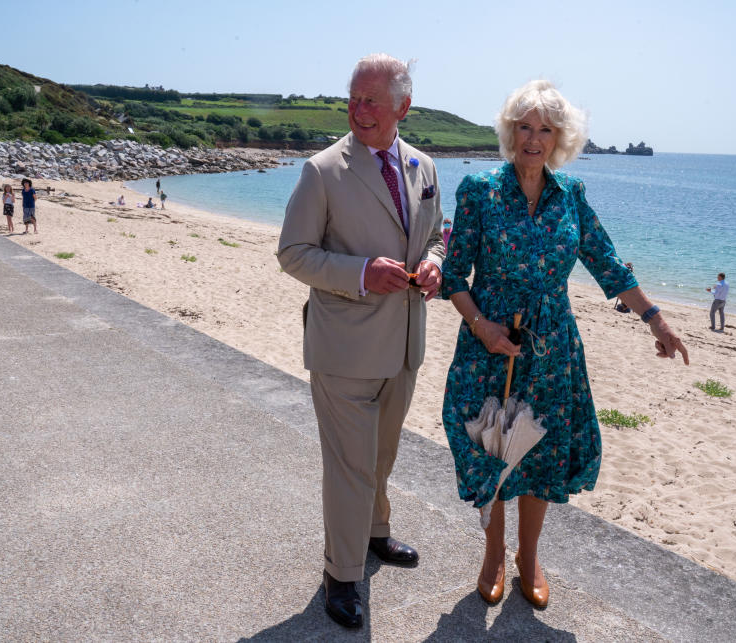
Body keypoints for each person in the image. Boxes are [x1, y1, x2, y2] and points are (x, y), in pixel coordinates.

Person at [440, 80, 689, 609]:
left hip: (553, 350)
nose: (533, 139)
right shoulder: (479, 190)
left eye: (545, 129)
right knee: (490, 448)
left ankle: (529, 559)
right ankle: (493, 555)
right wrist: (483, 325)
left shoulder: (571, 196)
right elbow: (454, 276)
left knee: (540, 455)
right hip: (490, 343)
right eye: (524, 127)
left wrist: (656, 319)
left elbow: (606, 262)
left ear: (560, 138)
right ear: (511, 133)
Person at [277, 53, 445, 629]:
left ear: (403, 105)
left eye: (372, 99)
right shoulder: (321, 171)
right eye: (353, 98)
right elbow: (292, 253)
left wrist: (436, 269)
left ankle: (375, 535)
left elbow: (438, 239)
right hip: (343, 348)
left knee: (381, 457)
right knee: (349, 466)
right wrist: (359, 273)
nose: (359, 109)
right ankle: (342, 574)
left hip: (403, 346)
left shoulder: (423, 166)